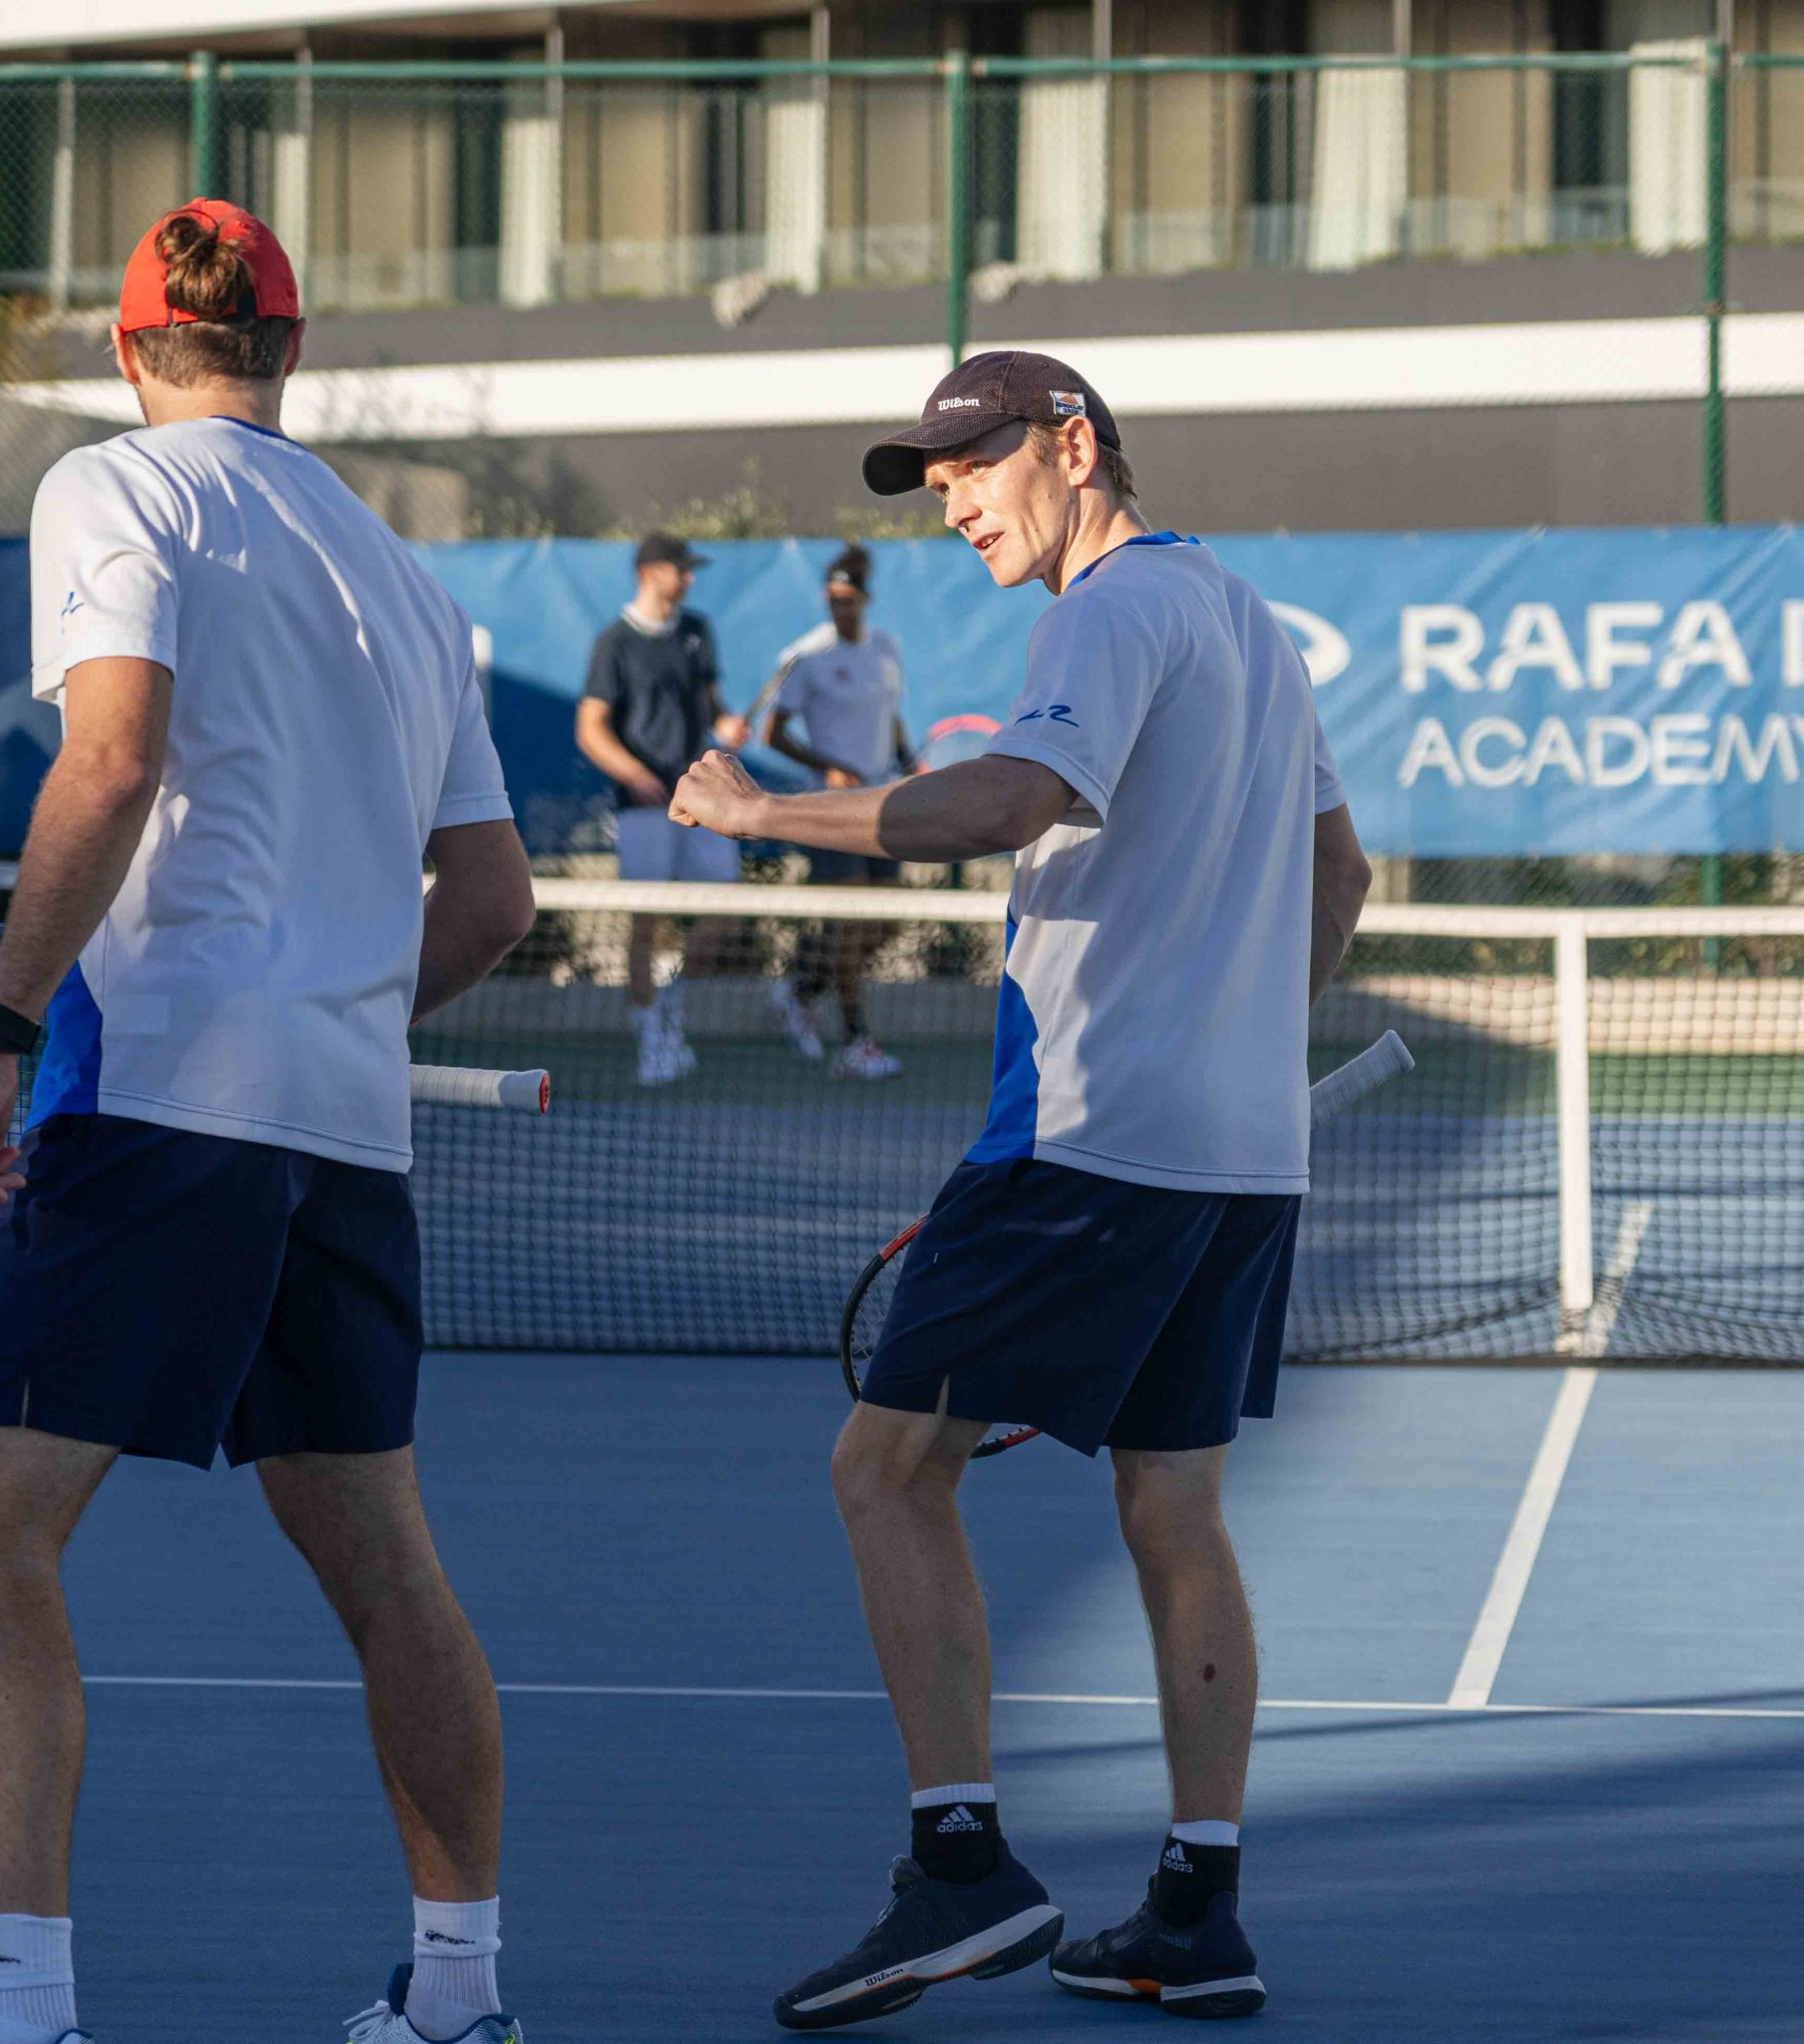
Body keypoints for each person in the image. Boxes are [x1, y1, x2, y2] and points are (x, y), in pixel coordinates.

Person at [670, 350, 1373, 2030]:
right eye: (935, 480)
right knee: (1171, 1506)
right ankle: (1197, 1907)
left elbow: (1007, 799)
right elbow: (1341, 873)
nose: (956, 501)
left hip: (1086, 1137)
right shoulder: (1251, 620)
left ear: (1075, 445)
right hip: (1232, 1153)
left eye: (976, 465)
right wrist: (1239, 1046)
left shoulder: (1110, 609)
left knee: (883, 1469)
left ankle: (961, 1865)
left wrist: (768, 812)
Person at [0, 200, 535, 2044]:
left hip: (165, 1093)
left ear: (127, 347)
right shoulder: (406, 580)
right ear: (293, 344)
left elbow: (113, 756)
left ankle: (20, 2014)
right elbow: (491, 904)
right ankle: (461, 1997)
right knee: (390, 1571)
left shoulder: (118, 491)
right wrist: (332, 1016)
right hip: (339, 1126)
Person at [574, 533, 749, 1085]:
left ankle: (670, 1006)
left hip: (702, 798)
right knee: (644, 920)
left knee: (723, 909)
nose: (690, 578)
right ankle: (651, 1037)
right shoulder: (615, 643)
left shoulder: (697, 632)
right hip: (644, 807)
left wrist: (727, 727)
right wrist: (636, 776)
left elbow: (713, 707)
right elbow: (590, 728)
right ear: (650, 572)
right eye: (681, 569)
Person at [761, 543, 912, 1082]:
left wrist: (908, 759)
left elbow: (889, 717)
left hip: (884, 801)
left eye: (848, 599)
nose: (839, 608)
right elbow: (772, 734)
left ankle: (800, 989)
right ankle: (855, 1041)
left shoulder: (887, 647)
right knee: (849, 926)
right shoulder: (808, 658)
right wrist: (827, 767)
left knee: (888, 921)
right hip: (829, 809)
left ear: (865, 599)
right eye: (832, 599)